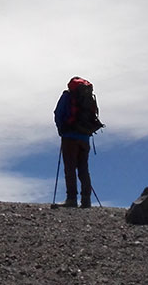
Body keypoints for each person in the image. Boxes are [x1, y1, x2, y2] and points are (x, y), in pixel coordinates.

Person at [54, 77, 104, 207]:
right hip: (85, 137)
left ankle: (71, 199)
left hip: (70, 136)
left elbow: (58, 113)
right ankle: (86, 200)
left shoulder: (68, 96)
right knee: (83, 168)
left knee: (70, 168)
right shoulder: (87, 98)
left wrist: (61, 129)